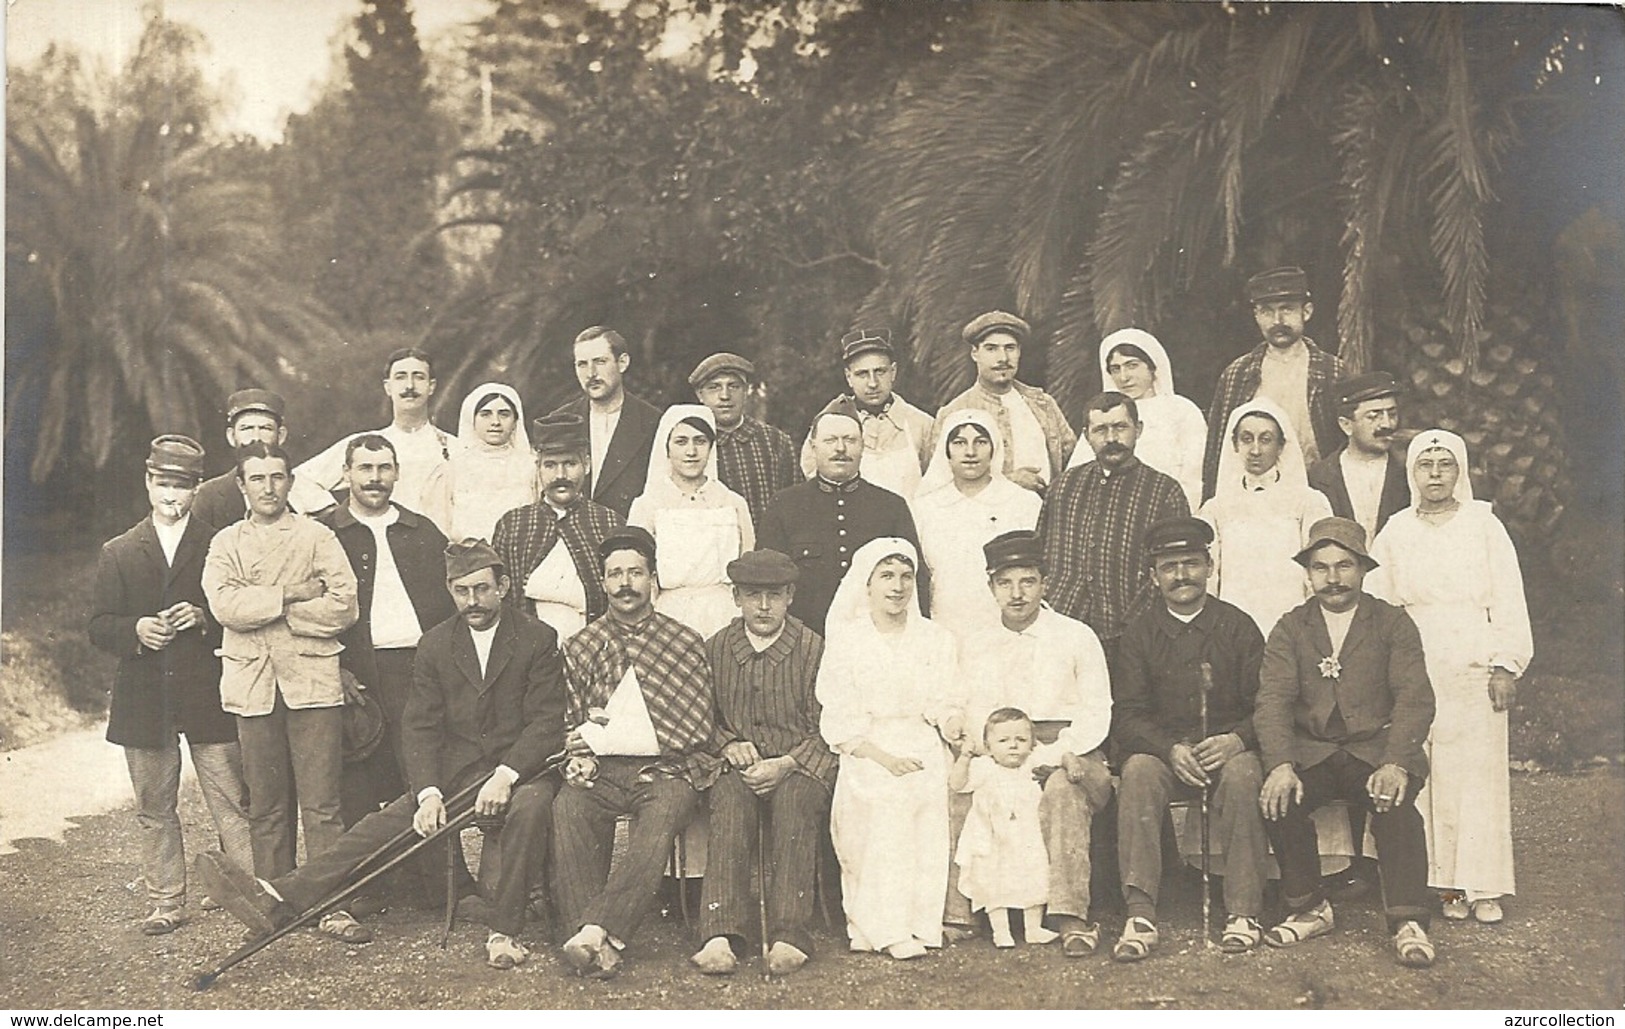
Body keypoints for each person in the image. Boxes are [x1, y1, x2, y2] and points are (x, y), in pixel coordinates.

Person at [197, 539, 569, 970]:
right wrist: (428, 791)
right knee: (386, 824)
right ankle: (281, 897)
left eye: (483, 589)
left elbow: (546, 723)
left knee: (529, 807)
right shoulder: (435, 644)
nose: (473, 601)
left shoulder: (537, 638)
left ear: (503, 586)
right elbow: (421, 725)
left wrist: (506, 775)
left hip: (522, 770)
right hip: (460, 772)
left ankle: (503, 933)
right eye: (462, 590)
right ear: (449, 590)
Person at [1255, 517, 1437, 968]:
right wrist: (1280, 764)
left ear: (1363, 569)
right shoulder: (1291, 627)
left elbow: (1415, 697)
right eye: (1321, 568)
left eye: (1344, 566)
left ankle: (1407, 920)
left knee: (1395, 805)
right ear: (1308, 573)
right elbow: (1272, 700)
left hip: (1374, 751)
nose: (1332, 579)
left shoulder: (1392, 623)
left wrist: (1396, 761)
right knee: (1280, 799)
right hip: (1312, 750)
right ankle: (1310, 907)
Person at [201, 442, 366, 941]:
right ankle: (273, 906)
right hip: (253, 685)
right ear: (241, 486)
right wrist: (291, 594)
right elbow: (225, 606)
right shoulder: (225, 543)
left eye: (277, 477)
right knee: (268, 805)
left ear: (290, 482)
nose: (269, 487)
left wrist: (277, 613)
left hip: (313, 683)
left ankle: (332, 904)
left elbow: (345, 605)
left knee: (322, 804)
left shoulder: (317, 535)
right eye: (258, 478)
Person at [89, 435, 253, 935]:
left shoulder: (219, 542)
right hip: (144, 696)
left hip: (209, 691)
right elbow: (98, 624)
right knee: (154, 805)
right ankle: (166, 901)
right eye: (163, 483)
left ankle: (251, 894)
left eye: (182, 486)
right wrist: (135, 630)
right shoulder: (118, 550)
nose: (171, 495)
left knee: (232, 798)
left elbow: (242, 614)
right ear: (147, 482)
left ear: (198, 488)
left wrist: (205, 619)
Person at [1369, 429, 1533, 925]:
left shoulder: (1484, 525)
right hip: (1416, 661)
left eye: (1445, 465)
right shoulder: (1396, 530)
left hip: (1471, 660)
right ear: (1411, 473)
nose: (1435, 475)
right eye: (1425, 465)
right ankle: (1443, 887)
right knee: (1428, 773)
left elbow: (1508, 596)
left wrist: (1505, 663)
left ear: (1460, 471)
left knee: (1476, 775)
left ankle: (1484, 885)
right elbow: (1378, 603)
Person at [552, 527, 722, 979]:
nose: (625, 583)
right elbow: (572, 725)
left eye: (635, 573)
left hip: (667, 770)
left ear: (653, 579)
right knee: (570, 806)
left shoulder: (683, 640)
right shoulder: (581, 645)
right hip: (603, 774)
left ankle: (595, 931)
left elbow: (697, 724)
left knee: (664, 810)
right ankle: (594, 940)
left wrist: (617, 737)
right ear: (602, 582)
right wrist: (582, 753)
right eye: (615, 574)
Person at [1111, 516, 1269, 960]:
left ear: (1210, 565)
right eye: (1168, 566)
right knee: (1138, 770)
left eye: (1191, 563)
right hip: (1169, 755)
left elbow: (1268, 706)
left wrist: (1237, 740)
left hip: (1227, 752)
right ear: (1152, 575)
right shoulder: (1140, 634)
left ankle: (1243, 911)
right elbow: (1127, 716)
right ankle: (1140, 912)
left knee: (1244, 775)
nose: (1181, 575)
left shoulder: (1238, 626)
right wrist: (1168, 749)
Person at [956, 529, 1113, 956]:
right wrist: (993, 754)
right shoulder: (978, 642)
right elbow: (971, 708)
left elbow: (1097, 712)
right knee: (963, 787)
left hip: (1069, 748)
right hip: (1001, 749)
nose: (1017, 593)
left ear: (1045, 582)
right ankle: (966, 910)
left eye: (1027, 581)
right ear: (991, 587)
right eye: (1005, 583)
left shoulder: (1076, 635)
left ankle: (1068, 916)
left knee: (1063, 790)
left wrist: (1049, 753)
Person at [817, 538, 963, 960]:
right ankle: (880, 926)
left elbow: (946, 698)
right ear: (866, 585)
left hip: (921, 741)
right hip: (868, 749)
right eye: (886, 576)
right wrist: (884, 759)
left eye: (905, 576)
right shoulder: (847, 640)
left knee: (926, 817)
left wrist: (953, 724)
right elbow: (841, 716)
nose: (897, 587)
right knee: (887, 808)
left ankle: (917, 924)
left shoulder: (935, 638)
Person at [689, 549, 832, 977]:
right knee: (729, 802)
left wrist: (788, 763)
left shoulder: (812, 649)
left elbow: (829, 724)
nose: (764, 607)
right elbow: (700, 716)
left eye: (774, 595)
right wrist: (727, 743)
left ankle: (789, 933)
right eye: (753, 596)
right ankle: (720, 934)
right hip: (738, 769)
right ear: (736, 597)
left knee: (796, 804)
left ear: (790, 596)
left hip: (798, 766)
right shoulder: (716, 648)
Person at [318, 434, 455, 821]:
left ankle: (443, 881)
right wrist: (336, 668)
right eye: (364, 468)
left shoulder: (423, 531)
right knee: (360, 788)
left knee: (423, 779)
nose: (374, 478)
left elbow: (449, 610)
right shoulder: (324, 533)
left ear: (396, 473)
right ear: (346, 474)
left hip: (418, 669)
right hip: (357, 675)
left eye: (384, 468)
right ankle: (373, 883)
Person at [1038, 392, 1189, 662]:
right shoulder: (1063, 486)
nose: (1111, 439)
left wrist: (1136, 622)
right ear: (1086, 435)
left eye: (1120, 427)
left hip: (1132, 637)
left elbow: (1174, 569)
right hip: (1062, 631)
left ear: (1138, 429)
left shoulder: (1164, 491)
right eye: (1100, 430)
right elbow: (1041, 555)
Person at [758, 398, 923, 636]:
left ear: (862, 446)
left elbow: (916, 581)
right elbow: (767, 582)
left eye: (850, 440)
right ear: (814, 447)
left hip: (874, 640)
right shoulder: (784, 505)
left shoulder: (891, 507)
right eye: (830, 440)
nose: (840, 449)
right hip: (804, 641)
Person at [1203, 267, 1347, 500]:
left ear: (1306, 312)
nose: (1277, 321)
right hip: (1253, 493)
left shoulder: (1332, 372)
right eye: (1267, 312)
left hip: (1318, 492)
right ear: (1257, 316)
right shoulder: (1237, 374)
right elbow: (1217, 450)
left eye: (1287, 310)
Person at [1199, 397, 1332, 636]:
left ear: (1281, 446)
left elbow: (1319, 567)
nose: (1256, 450)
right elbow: (1209, 578)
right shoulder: (1215, 509)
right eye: (1247, 439)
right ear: (1235, 444)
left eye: (1266, 440)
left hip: (1294, 626)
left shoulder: (1308, 502)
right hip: (1233, 629)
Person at [490, 412, 624, 640]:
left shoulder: (610, 523)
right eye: (550, 465)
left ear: (587, 465)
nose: (560, 475)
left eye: (570, 464)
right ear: (538, 467)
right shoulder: (513, 526)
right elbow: (501, 602)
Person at [911, 408, 1041, 640]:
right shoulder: (924, 508)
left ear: (994, 447)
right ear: (946, 450)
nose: (970, 452)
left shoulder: (1024, 503)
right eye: (960, 442)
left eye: (980, 442)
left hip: (1009, 634)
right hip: (945, 630)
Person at [628, 404, 755, 637]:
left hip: (725, 615)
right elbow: (638, 570)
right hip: (668, 616)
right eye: (681, 441)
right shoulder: (648, 505)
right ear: (666, 449)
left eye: (700, 441)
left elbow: (747, 561)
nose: (691, 451)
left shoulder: (732, 502)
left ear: (711, 447)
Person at [290, 348, 458, 521]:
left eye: (419, 377)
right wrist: (335, 514)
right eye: (400, 377)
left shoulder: (455, 447)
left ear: (431, 387)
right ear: (388, 387)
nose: (410, 386)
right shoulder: (364, 446)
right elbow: (297, 480)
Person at [930, 311, 1075, 494]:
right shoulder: (954, 413)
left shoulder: (1043, 404)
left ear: (1019, 352)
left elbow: (1073, 461)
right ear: (975, 353)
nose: (1003, 358)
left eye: (1010, 348)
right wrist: (1008, 482)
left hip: (1046, 514)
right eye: (991, 349)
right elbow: (941, 484)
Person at [949, 709, 1060, 948]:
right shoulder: (983, 767)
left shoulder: (1033, 764)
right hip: (993, 839)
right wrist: (965, 757)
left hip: (1027, 837)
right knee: (993, 881)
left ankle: (1033, 928)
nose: (1013, 746)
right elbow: (957, 785)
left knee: (1035, 875)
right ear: (988, 747)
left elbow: (1061, 757)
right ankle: (1001, 931)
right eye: (1003, 741)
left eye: (1021, 740)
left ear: (1032, 744)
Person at [1066, 329, 1206, 512]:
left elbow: (1194, 476)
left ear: (1152, 367)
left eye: (1132, 365)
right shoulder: (1102, 415)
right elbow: (1077, 476)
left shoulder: (1182, 411)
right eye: (1116, 369)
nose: (1124, 377)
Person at [799, 329, 934, 500]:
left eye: (880, 372)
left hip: (910, 524)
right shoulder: (829, 426)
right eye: (862, 374)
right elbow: (815, 482)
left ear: (893, 372)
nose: (872, 383)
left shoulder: (921, 424)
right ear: (848, 377)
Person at [548, 325, 663, 521]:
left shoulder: (653, 422)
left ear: (623, 363)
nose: (591, 373)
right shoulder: (560, 420)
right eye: (582, 364)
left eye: (600, 362)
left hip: (629, 536)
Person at [688, 352, 802, 527]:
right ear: (700, 395)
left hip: (768, 549)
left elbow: (796, 505)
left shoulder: (775, 442)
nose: (725, 396)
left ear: (746, 390)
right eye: (714, 387)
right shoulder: (689, 446)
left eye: (733, 386)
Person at [420, 383, 537, 544]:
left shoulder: (533, 468)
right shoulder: (452, 470)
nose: (495, 422)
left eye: (504, 414)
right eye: (485, 414)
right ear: (472, 420)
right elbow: (438, 527)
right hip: (468, 562)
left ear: (516, 421)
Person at [1308, 371, 1410, 543]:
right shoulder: (1320, 477)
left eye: (1392, 414)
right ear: (1346, 425)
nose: (1387, 424)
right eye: (1374, 416)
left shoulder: (1408, 470)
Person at [192, 389, 290, 529]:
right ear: (231, 436)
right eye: (246, 428)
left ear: (281, 436)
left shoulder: (301, 492)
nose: (256, 437)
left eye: (265, 428)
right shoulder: (208, 496)